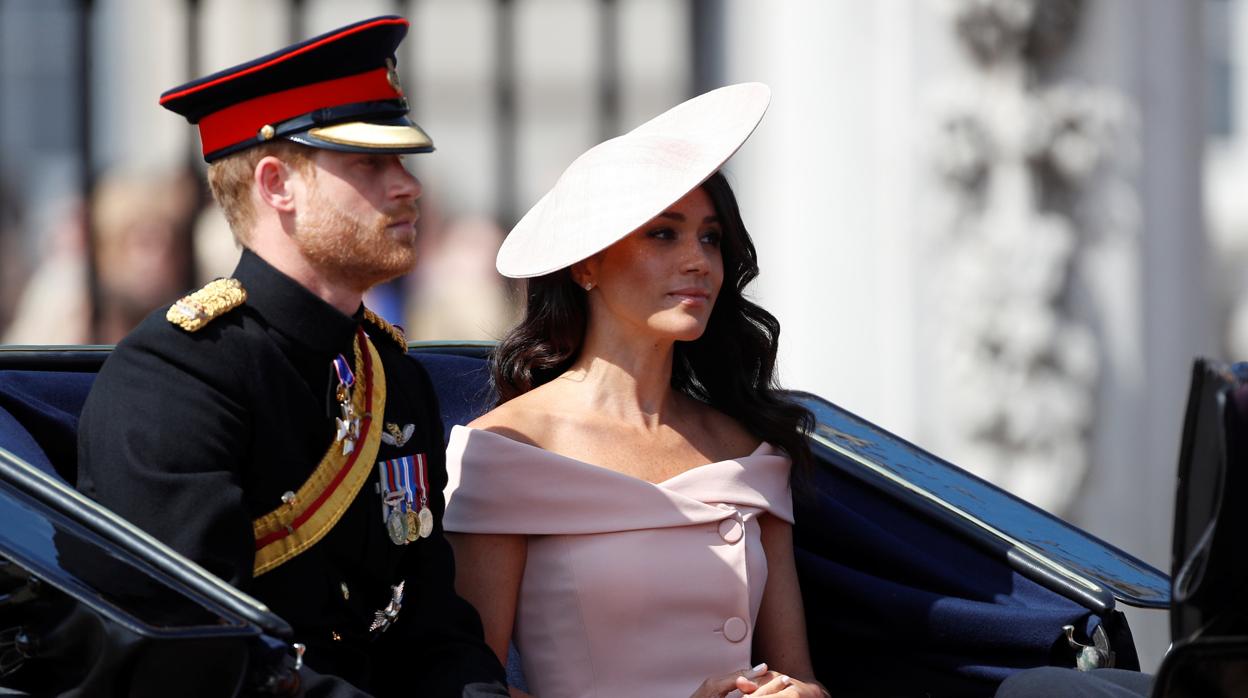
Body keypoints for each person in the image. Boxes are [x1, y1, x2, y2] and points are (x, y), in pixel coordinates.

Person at [76, 16, 508, 697]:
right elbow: (192, 644)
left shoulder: (390, 374)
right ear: (278, 184)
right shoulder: (177, 375)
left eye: (401, 161)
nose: (408, 186)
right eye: (370, 163)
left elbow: (433, 627)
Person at [443, 83, 829, 698]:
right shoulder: (509, 448)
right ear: (585, 264)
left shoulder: (751, 450)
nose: (699, 260)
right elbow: (468, 687)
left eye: (710, 237)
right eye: (663, 234)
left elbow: (800, 675)